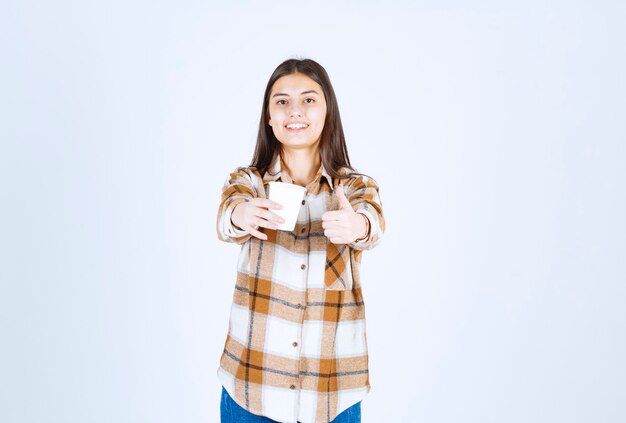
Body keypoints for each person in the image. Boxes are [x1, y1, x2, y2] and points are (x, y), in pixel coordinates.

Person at [215, 58, 385, 423]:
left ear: (327, 112)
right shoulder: (250, 182)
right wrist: (240, 215)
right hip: (252, 388)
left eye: (309, 100)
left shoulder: (355, 187)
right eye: (282, 101)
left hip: (331, 392)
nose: (295, 111)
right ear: (269, 118)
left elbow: (373, 223)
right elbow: (229, 213)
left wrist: (356, 226)